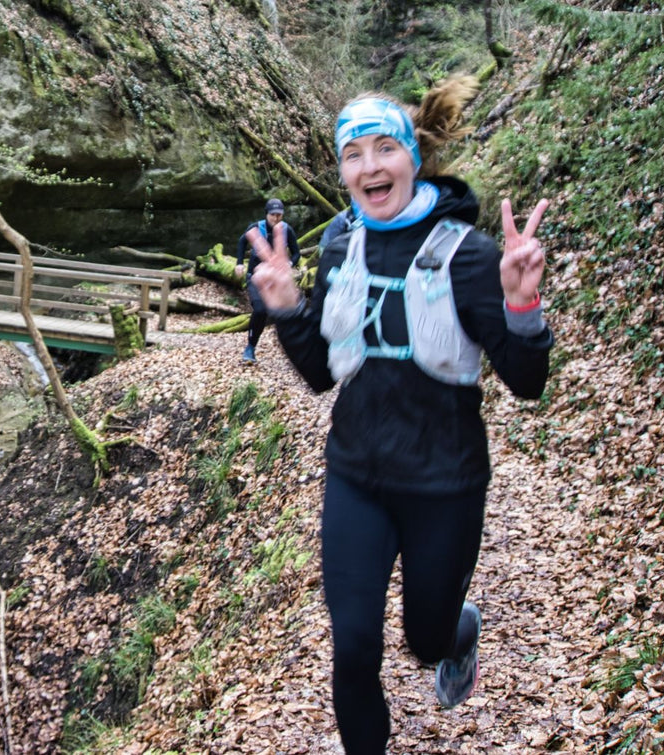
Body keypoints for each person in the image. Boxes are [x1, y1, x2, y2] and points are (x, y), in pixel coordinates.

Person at [246, 76, 552, 755]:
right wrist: (287, 305)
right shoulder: (338, 247)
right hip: (356, 473)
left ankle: (455, 633)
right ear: (342, 170)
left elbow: (527, 383)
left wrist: (521, 306)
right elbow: (322, 374)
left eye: (385, 148)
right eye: (353, 154)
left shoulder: (469, 256)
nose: (369, 166)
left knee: (422, 638)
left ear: (414, 158)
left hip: (444, 483)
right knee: (352, 645)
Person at [234, 198, 300, 364]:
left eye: (279, 215)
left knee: (287, 310)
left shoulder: (286, 230)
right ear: (266, 214)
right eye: (273, 215)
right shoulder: (256, 227)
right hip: (255, 276)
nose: (276, 218)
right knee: (261, 310)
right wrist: (240, 263)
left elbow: (296, 253)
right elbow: (242, 242)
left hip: (275, 278)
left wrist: (289, 263)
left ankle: (294, 351)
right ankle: (250, 347)